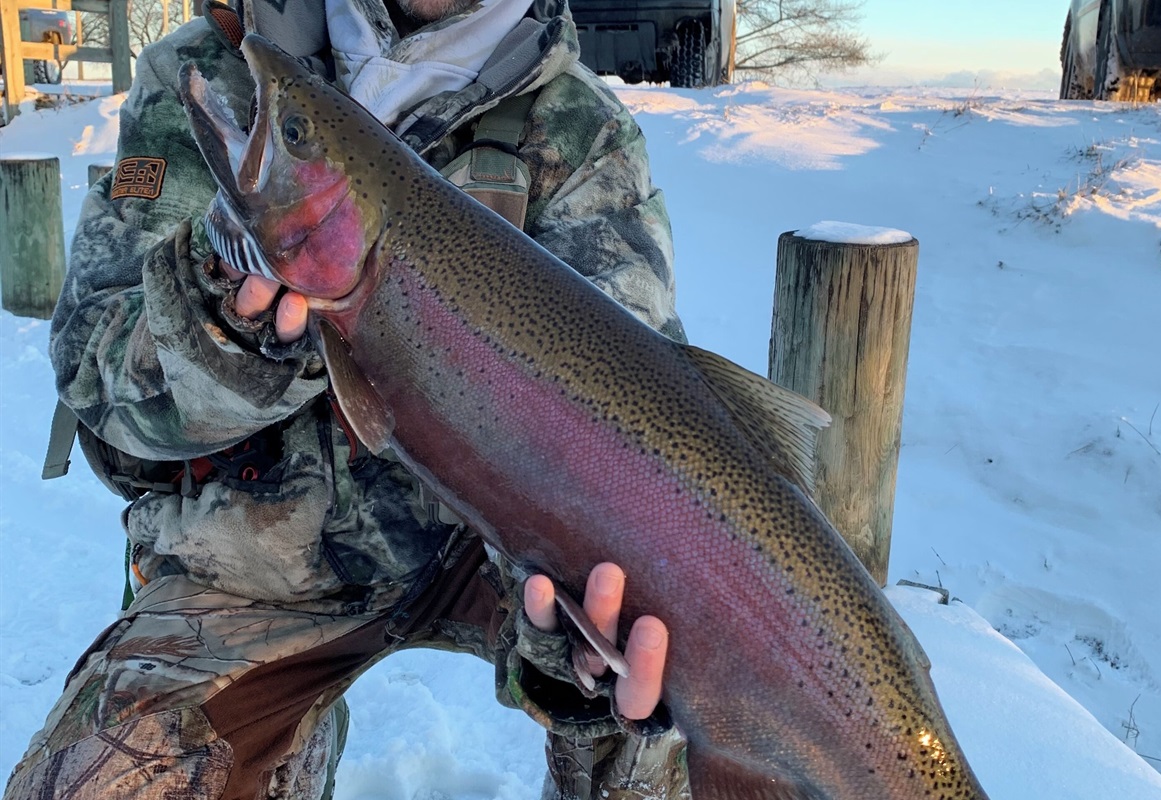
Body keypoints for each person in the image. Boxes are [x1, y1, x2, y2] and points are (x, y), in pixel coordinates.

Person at [3, 0, 693, 797]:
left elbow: (641, 423)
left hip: (503, 551)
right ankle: (280, 735)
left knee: (661, 691)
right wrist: (225, 315)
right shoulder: (213, 76)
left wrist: (578, 638)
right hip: (251, 555)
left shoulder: (580, 126)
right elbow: (95, 376)